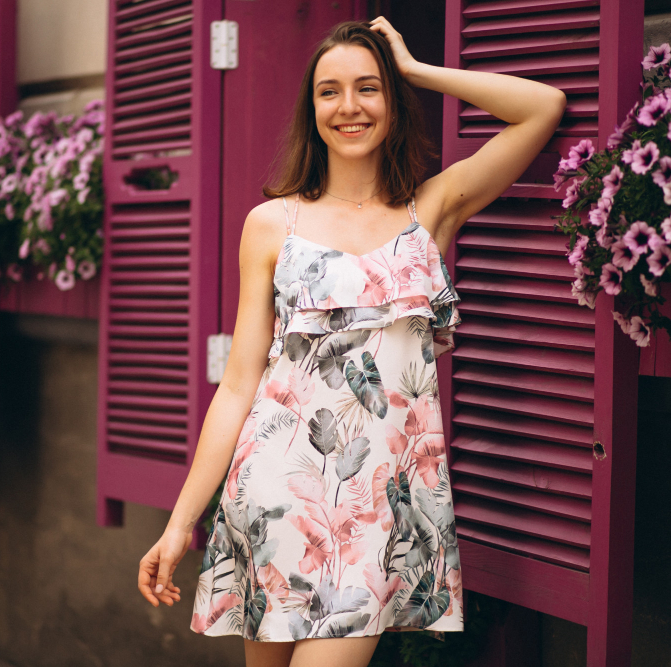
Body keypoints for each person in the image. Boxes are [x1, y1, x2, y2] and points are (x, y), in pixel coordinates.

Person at [137, 16, 566, 667]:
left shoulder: (430, 211)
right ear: (312, 110)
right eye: (329, 91)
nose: (349, 107)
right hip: (275, 494)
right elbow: (238, 387)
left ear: (392, 101)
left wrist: (414, 69)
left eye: (368, 88)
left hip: (375, 510)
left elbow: (542, 108)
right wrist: (178, 524)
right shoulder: (272, 223)